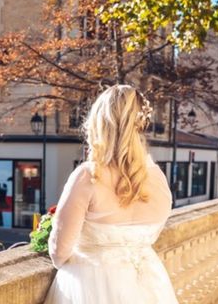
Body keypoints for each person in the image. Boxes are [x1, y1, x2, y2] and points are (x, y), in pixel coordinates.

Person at [44, 84, 178, 304]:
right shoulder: (158, 179)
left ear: (98, 124)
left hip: (89, 284)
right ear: (140, 124)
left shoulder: (88, 176)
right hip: (148, 284)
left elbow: (59, 252)